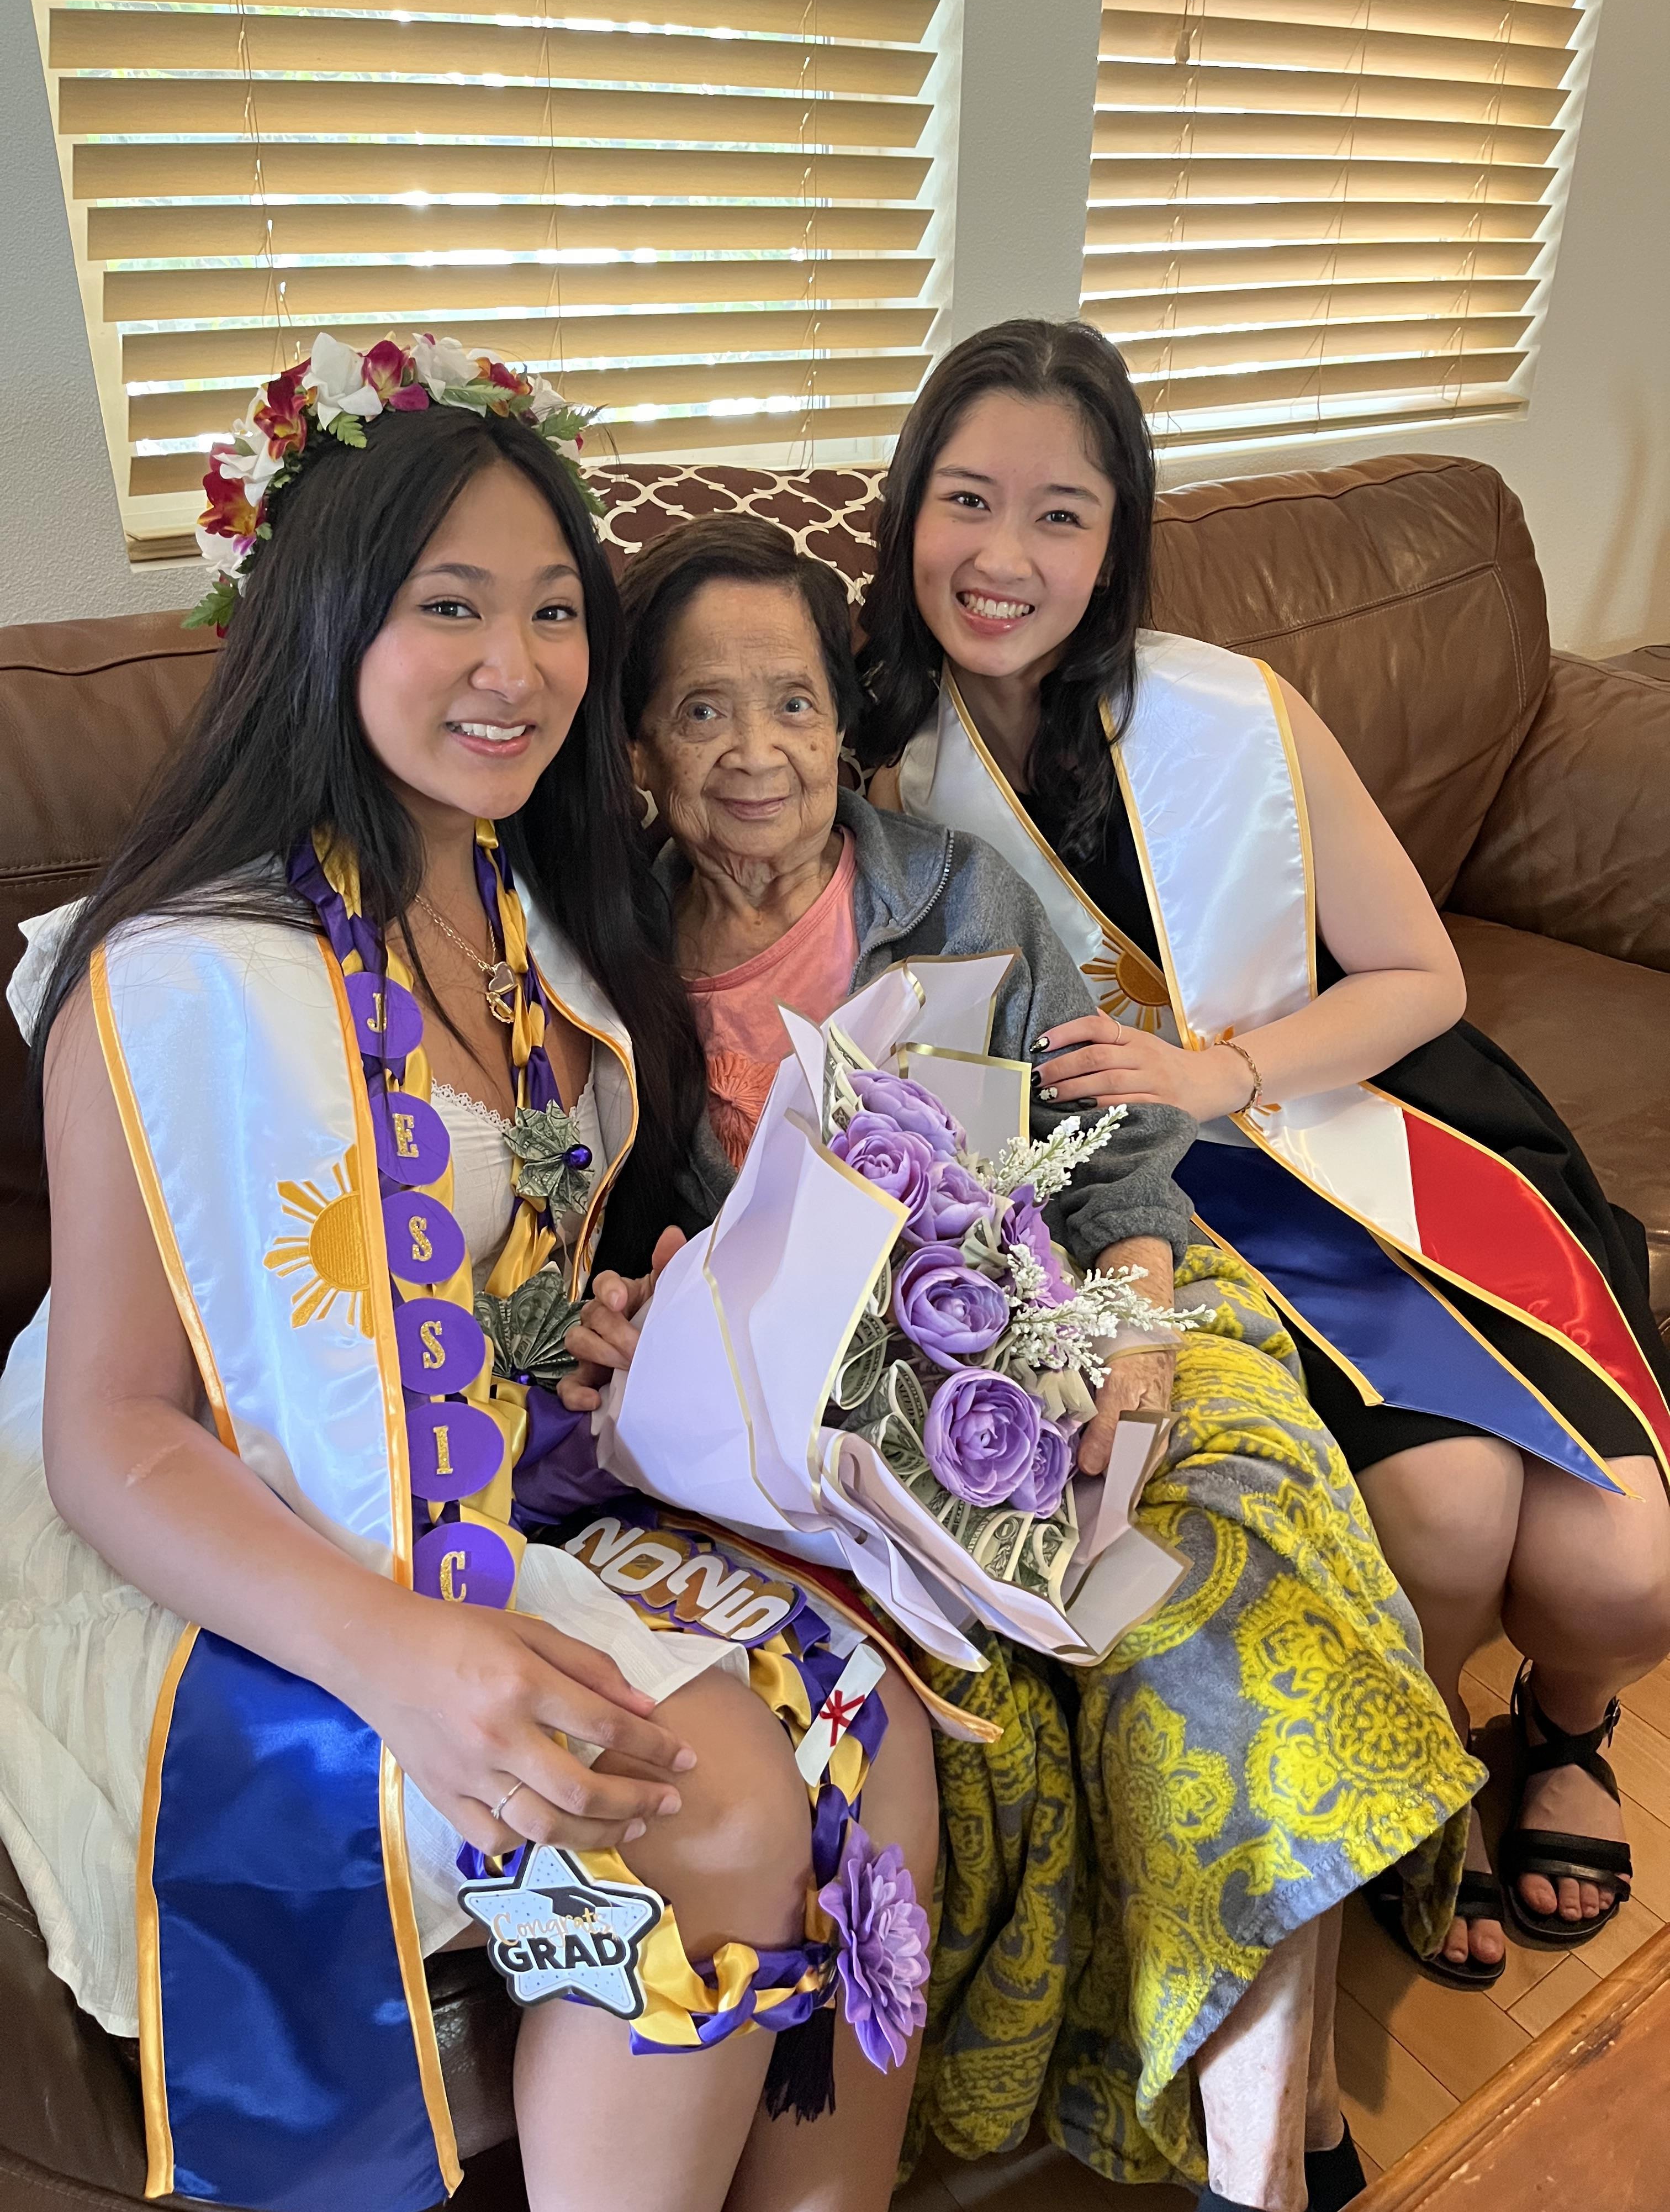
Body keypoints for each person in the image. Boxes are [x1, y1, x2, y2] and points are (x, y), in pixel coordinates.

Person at [0, 335, 936, 2212]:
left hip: (482, 1482)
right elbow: (114, 1433)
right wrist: (401, 1658)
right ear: (329, 623)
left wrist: (577, 1326)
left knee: (882, 1708)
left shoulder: (525, 901)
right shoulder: (180, 975)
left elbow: (480, 1274)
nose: (516, 668)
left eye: (553, 611)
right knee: (725, 1799)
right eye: (450, 609)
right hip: (221, 1557)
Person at [558, 511, 1481, 2212]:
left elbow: (1123, 1183)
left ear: (850, 727)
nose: (755, 753)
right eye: (700, 713)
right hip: (848, 1462)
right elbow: (611, 1264)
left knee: (1214, 1599)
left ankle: (1262, 2171)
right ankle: (1297, 2121)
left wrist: (1124, 1359)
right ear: (634, 749)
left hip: (1115, 1326)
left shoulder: (960, 896)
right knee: (1000, 1701)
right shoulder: (597, 970)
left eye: (793, 705)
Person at [859, 316, 1670, 1999]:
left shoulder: (1230, 713)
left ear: (1120, 532)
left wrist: (1220, 1065)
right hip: (1143, 1201)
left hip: (1363, 1124)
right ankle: (1408, 1766)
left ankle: (1565, 1721)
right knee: (1447, 1515)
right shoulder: (861, 763)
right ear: (906, 509)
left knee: (1628, 1565)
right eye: (967, 500)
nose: (1005, 559)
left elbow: (1422, 977)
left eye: (1062, 513)